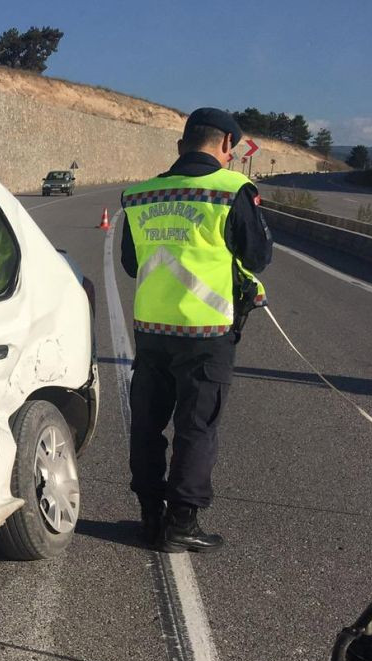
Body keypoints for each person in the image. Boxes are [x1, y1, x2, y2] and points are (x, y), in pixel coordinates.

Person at [120, 107, 272, 552]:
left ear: (180, 145)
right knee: (197, 427)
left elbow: (132, 264)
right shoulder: (232, 189)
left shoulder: (141, 195)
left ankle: (149, 517)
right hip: (208, 333)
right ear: (228, 144)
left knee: (147, 424)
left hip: (151, 330)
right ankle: (180, 524)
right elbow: (258, 256)